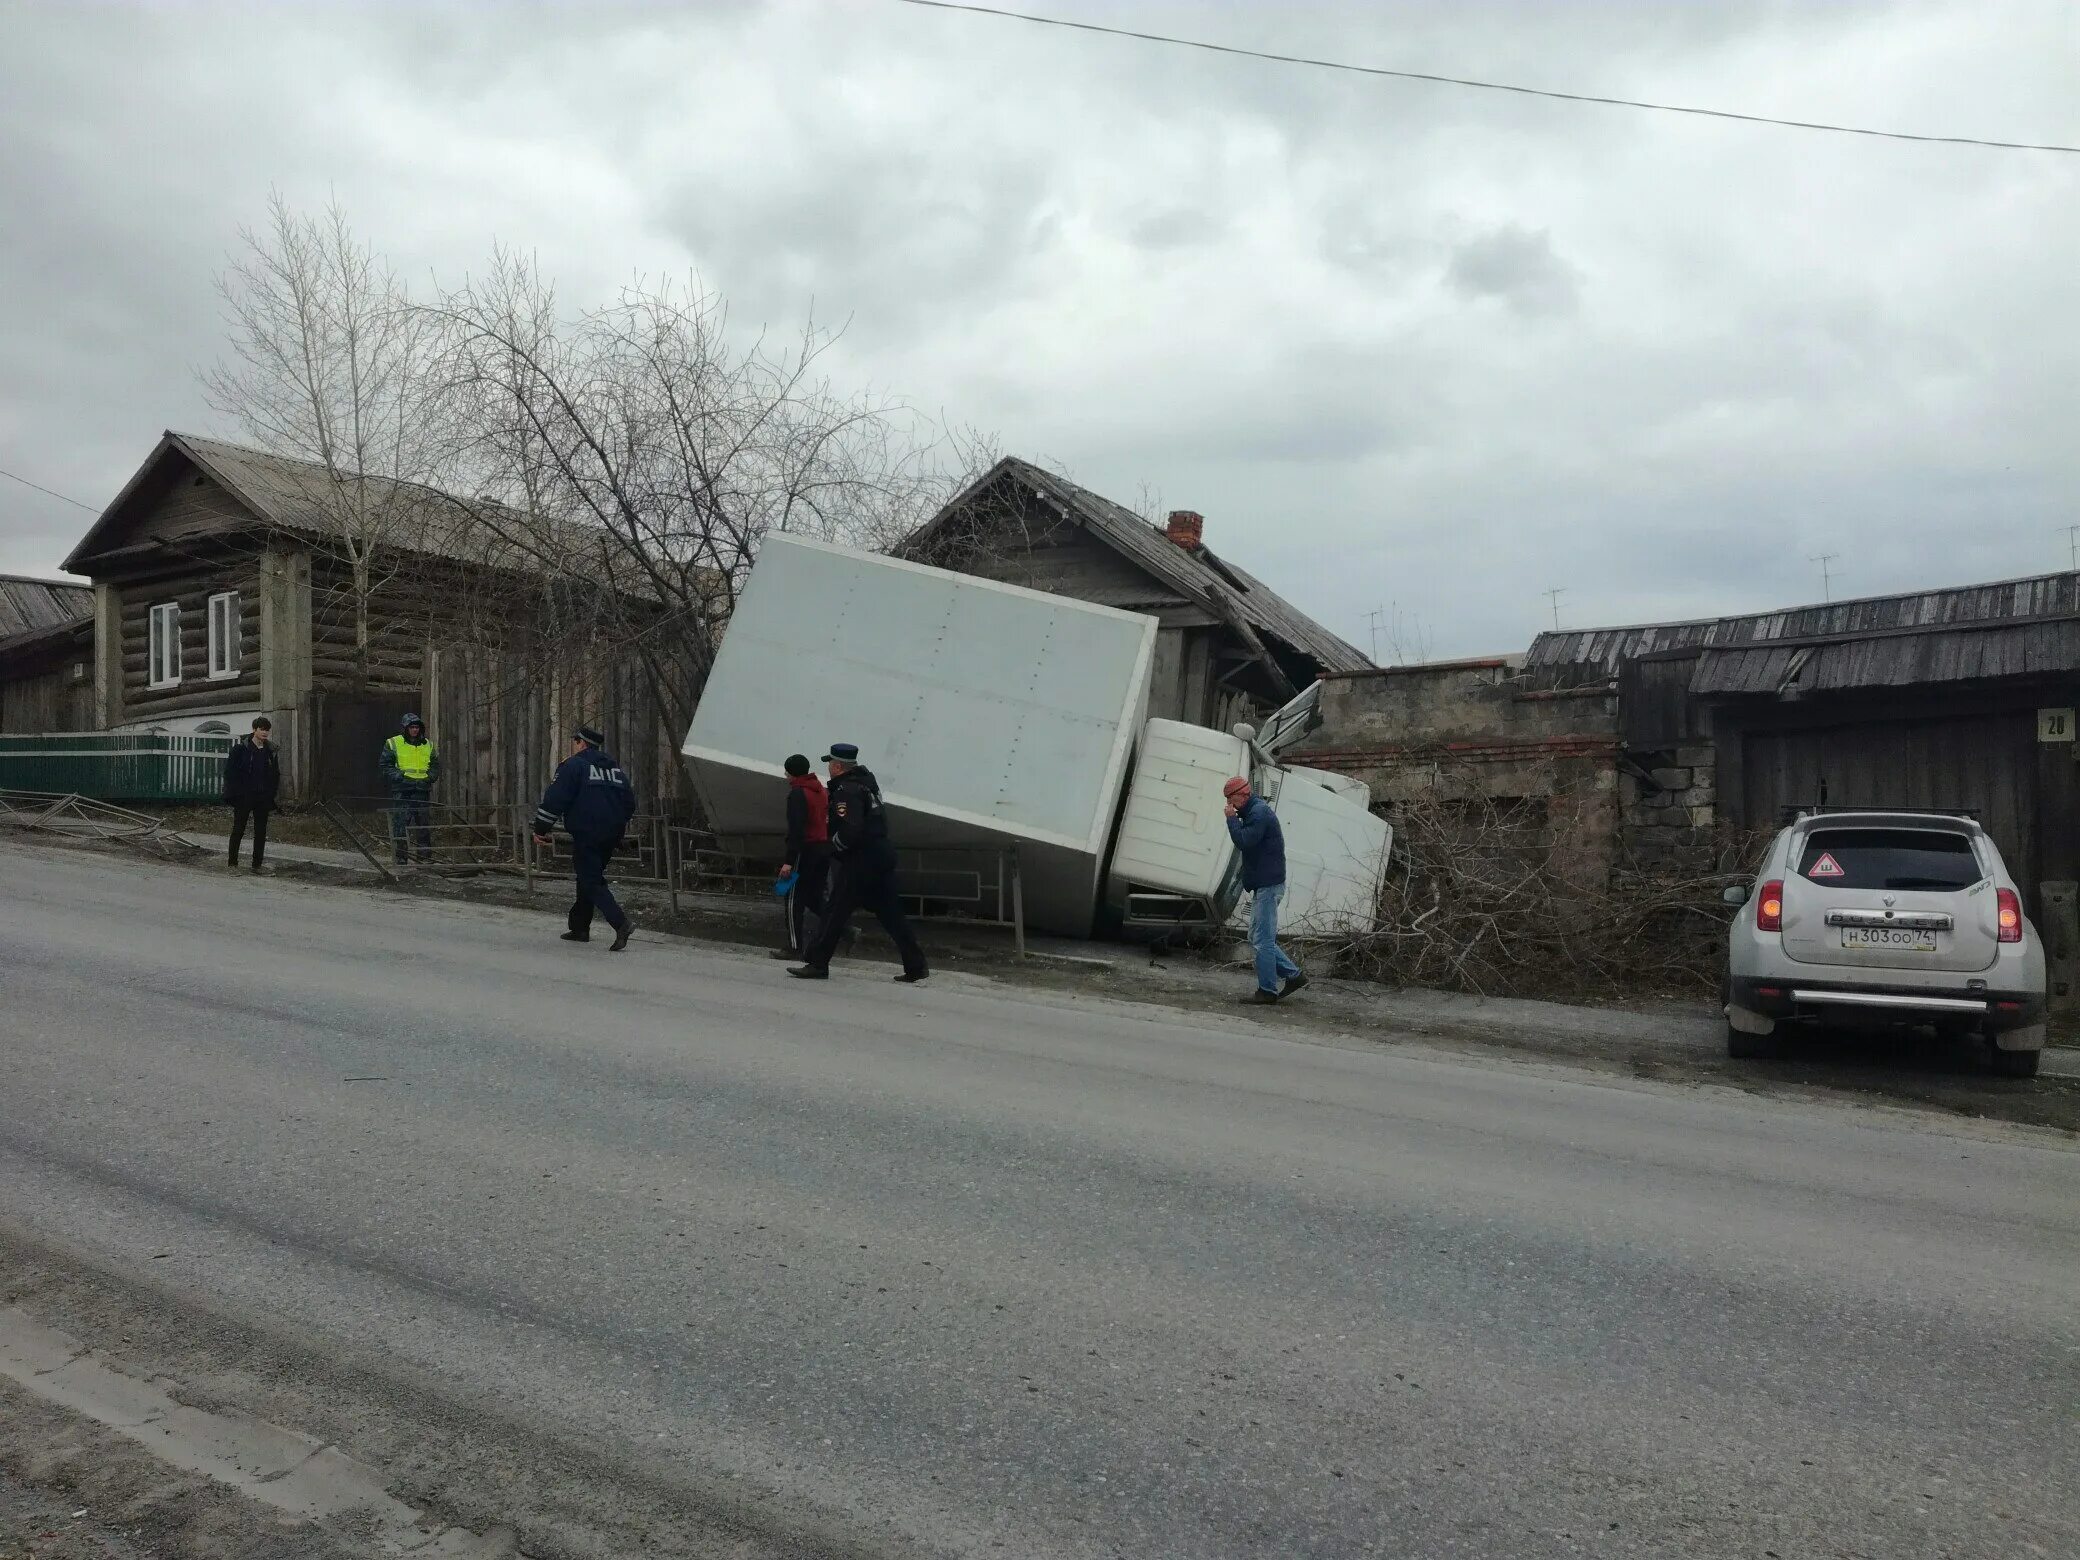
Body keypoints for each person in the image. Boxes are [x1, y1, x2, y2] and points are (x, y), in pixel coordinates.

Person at [789, 743, 928, 983]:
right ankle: (916, 965)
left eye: (830, 764)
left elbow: (850, 829)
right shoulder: (867, 785)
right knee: (892, 915)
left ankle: (817, 962)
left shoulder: (846, 790)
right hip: (880, 854)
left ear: (838, 766)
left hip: (861, 858)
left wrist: (832, 848)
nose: (829, 769)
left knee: (835, 909)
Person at [534, 725, 638, 951]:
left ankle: (621, 923)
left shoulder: (573, 766)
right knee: (588, 876)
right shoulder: (614, 770)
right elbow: (630, 803)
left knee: (590, 880)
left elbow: (555, 799)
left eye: (575, 741)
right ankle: (580, 927)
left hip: (587, 831)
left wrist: (540, 828)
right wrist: (616, 823)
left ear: (581, 743)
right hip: (612, 833)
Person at [1224, 775, 1307, 1004]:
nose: (1229, 805)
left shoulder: (1258, 813)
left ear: (1242, 794)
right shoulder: (1255, 811)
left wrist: (1231, 820)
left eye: (1231, 800)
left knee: (1263, 940)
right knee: (1257, 937)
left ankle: (1267, 991)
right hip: (1266, 884)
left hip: (1268, 885)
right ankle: (1294, 975)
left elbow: (1244, 841)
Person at [772, 753, 832, 960]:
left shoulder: (797, 794)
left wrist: (788, 861)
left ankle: (794, 946)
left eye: (787, 772)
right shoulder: (822, 791)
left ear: (792, 772)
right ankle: (845, 929)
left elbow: (797, 830)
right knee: (814, 897)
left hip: (803, 851)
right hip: (823, 849)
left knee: (791, 898)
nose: (786, 776)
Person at [222, 716, 281, 873]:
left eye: (267, 730)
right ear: (254, 730)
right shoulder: (241, 749)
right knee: (238, 829)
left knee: (261, 831)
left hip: (262, 797)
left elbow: (275, 774)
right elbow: (229, 772)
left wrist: (271, 793)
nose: (265, 733)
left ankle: (257, 865)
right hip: (244, 796)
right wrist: (236, 793)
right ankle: (232, 864)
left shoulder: (270, 751)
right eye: (262, 729)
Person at [380, 712, 441, 865]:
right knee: (401, 825)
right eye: (412, 727)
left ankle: (425, 857)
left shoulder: (428, 744)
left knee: (423, 825)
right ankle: (401, 857)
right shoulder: (393, 743)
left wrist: (429, 778)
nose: (415, 730)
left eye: (417, 727)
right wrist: (400, 777)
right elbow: (385, 766)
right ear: (405, 728)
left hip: (421, 789)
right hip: (402, 790)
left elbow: (435, 765)